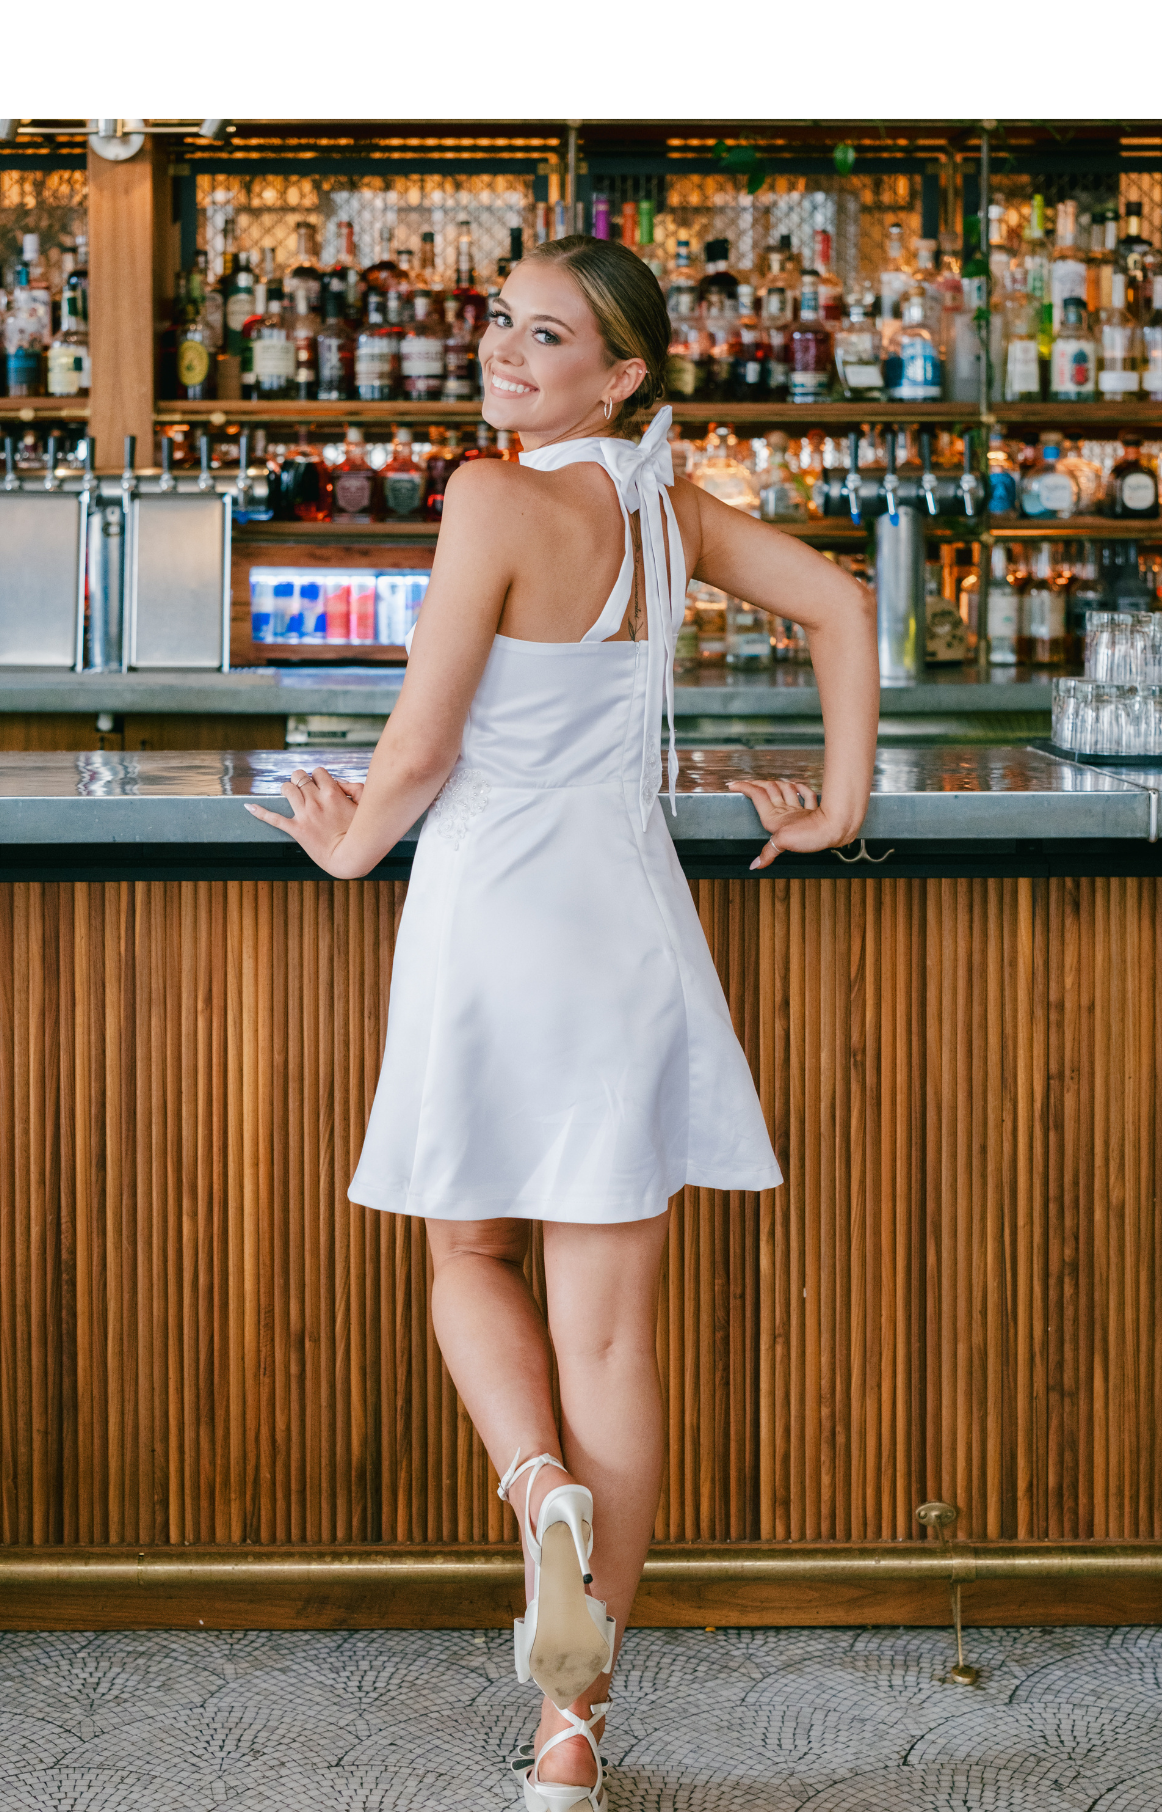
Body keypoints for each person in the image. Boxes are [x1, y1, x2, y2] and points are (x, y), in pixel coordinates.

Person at [244, 235, 878, 1811]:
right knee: (610, 1334)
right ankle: (570, 1741)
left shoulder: (488, 495)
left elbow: (421, 736)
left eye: (546, 336)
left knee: (469, 1256)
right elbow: (844, 609)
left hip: (490, 914)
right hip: (629, 923)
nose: (504, 357)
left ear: (624, 372)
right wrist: (838, 808)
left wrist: (349, 841)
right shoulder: (665, 507)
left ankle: (539, 1497)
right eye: (498, 325)